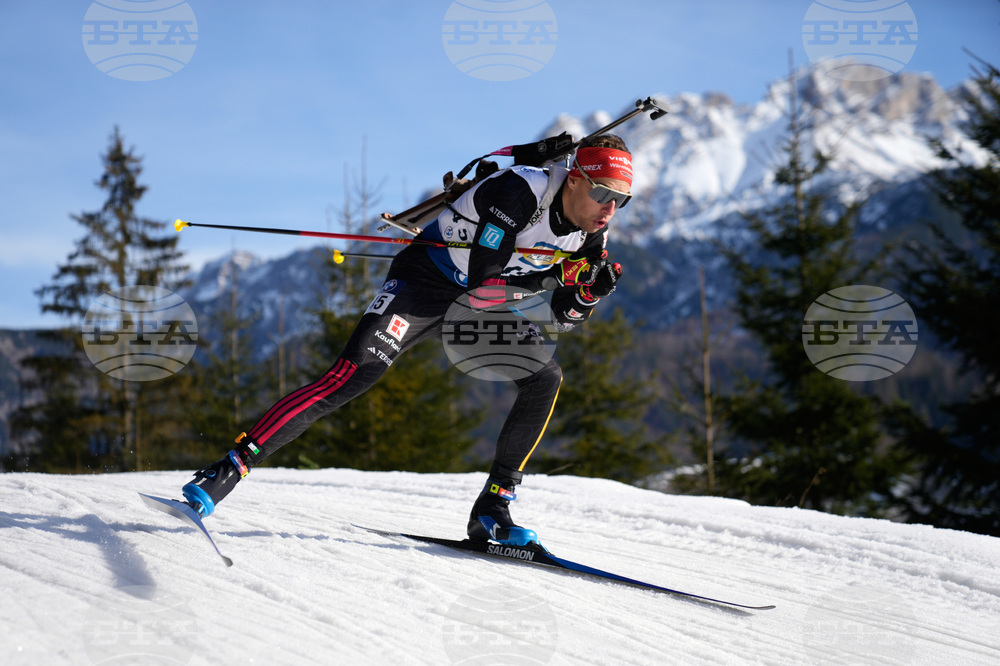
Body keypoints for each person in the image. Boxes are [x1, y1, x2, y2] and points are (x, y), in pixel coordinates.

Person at [180, 134, 633, 548]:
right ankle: (228, 468)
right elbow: (483, 287)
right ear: (574, 179)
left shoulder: (593, 234)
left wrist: (586, 293)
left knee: (545, 376)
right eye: (603, 193)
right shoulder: (519, 191)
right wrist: (557, 275)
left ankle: (494, 507)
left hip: (479, 303)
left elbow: (563, 319)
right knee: (351, 376)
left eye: (621, 200)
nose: (609, 208)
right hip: (426, 284)